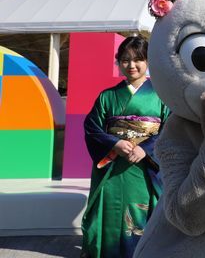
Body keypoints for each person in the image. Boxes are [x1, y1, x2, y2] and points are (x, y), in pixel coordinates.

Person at [81, 36, 170, 258]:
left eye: (138, 59)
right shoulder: (107, 96)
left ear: (148, 61)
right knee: (111, 214)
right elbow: (92, 129)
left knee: (143, 215)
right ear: (118, 62)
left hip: (146, 168)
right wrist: (115, 143)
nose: (131, 65)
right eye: (125, 60)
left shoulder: (162, 95)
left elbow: (171, 129)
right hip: (114, 166)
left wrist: (147, 148)